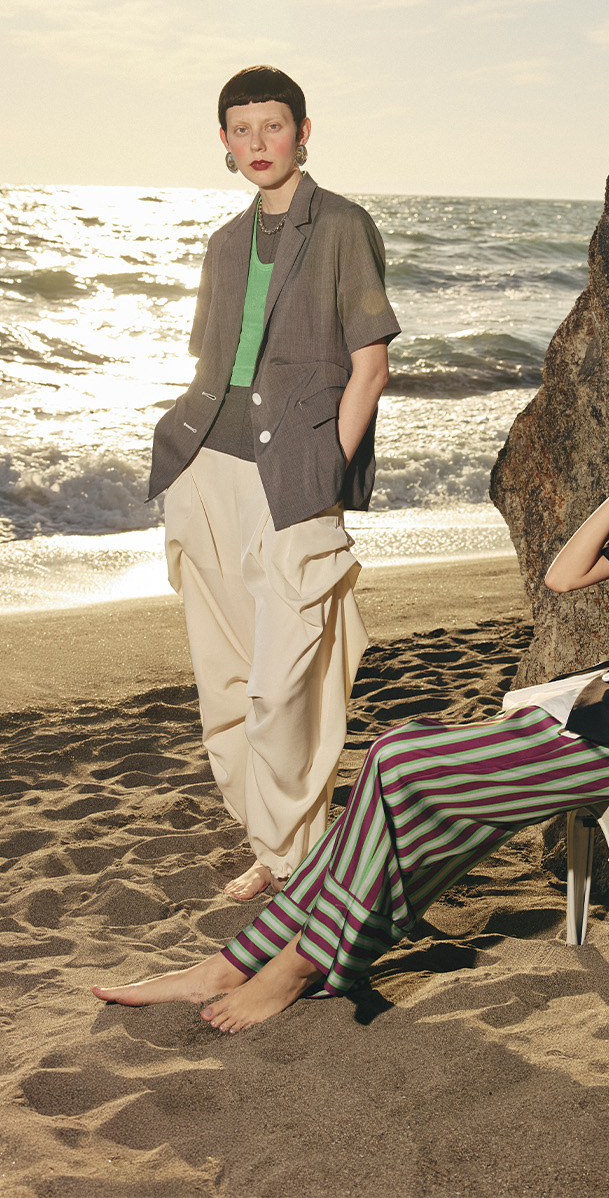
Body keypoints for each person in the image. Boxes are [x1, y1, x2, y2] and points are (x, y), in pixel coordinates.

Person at [95, 341, 609, 1029]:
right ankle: (245, 963)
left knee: (398, 763)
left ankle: (288, 965)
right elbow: (565, 575)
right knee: (412, 784)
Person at [148, 65, 401, 900]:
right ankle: (279, 848)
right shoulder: (224, 244)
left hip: (293, 477)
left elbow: (369, 368)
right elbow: (213, 367)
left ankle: (296, 846)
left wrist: (327, 473)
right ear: (224, 141)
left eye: (274, 125)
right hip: (203, 468)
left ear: (303, 132)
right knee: (224, 679)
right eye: (242, 128)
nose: (258, 143)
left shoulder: (344, 226)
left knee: (285, 680)